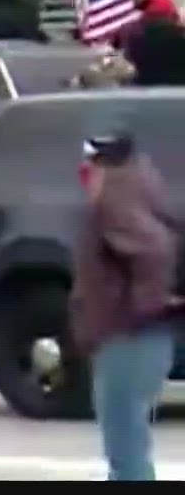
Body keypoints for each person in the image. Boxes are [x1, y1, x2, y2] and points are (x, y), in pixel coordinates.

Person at [71, 133, 180, 483]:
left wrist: (144, 303)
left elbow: (154, 249)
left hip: (127, 334)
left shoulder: (115, 196)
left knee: (125, 450)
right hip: (141, 334)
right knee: (128, 446)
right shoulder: (144, 185)